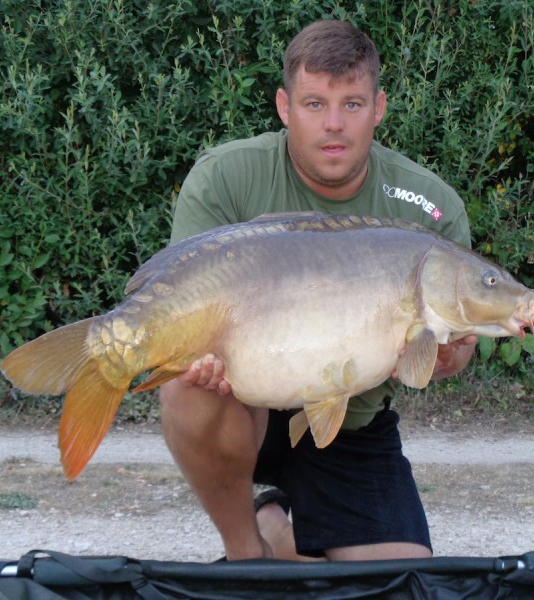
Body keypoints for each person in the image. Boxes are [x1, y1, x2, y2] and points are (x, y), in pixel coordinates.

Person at [159, 19, 477, 562]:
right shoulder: (226, 178)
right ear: (285, 107)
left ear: (378, 109)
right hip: (242, 406)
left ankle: (280, 531)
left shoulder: (429, 206)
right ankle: (248, 554)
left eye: (352, 104)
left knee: (397, 583)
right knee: (188, 387)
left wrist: (449, 356)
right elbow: (178, 300)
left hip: (348, 418)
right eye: (314, 104)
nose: (334, 125)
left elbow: (455, 352)